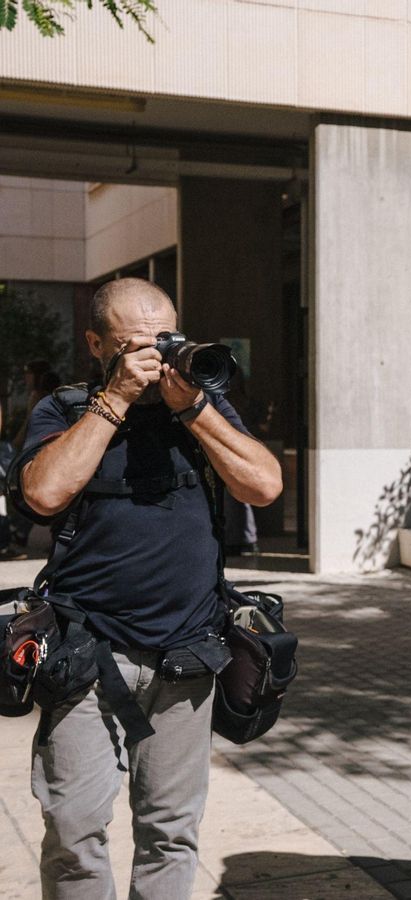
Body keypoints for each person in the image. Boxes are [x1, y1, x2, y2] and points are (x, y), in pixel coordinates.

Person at [7, 277, 283, 899]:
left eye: (167, 341)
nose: (156, 358)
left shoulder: (199, 406)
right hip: (86, 653)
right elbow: (43, 495)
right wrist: (118, 397)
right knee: (73, 829)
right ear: (96, 343)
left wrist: (194, 408)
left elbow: (263, 486)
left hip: (187, 653)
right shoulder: (67, 408)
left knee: (171, 832)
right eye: (136, 345)